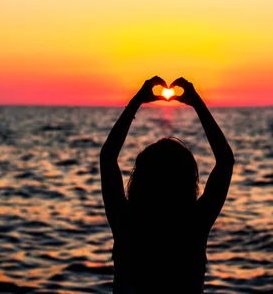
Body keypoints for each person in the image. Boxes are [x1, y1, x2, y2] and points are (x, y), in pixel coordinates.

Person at [100, 76, 235, 293]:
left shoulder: (126, 220)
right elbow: (226, 161)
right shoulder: (194, 223)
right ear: (188, 180)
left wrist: (137, 101)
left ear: (140, 179)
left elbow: (107, 157)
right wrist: (197, 103)